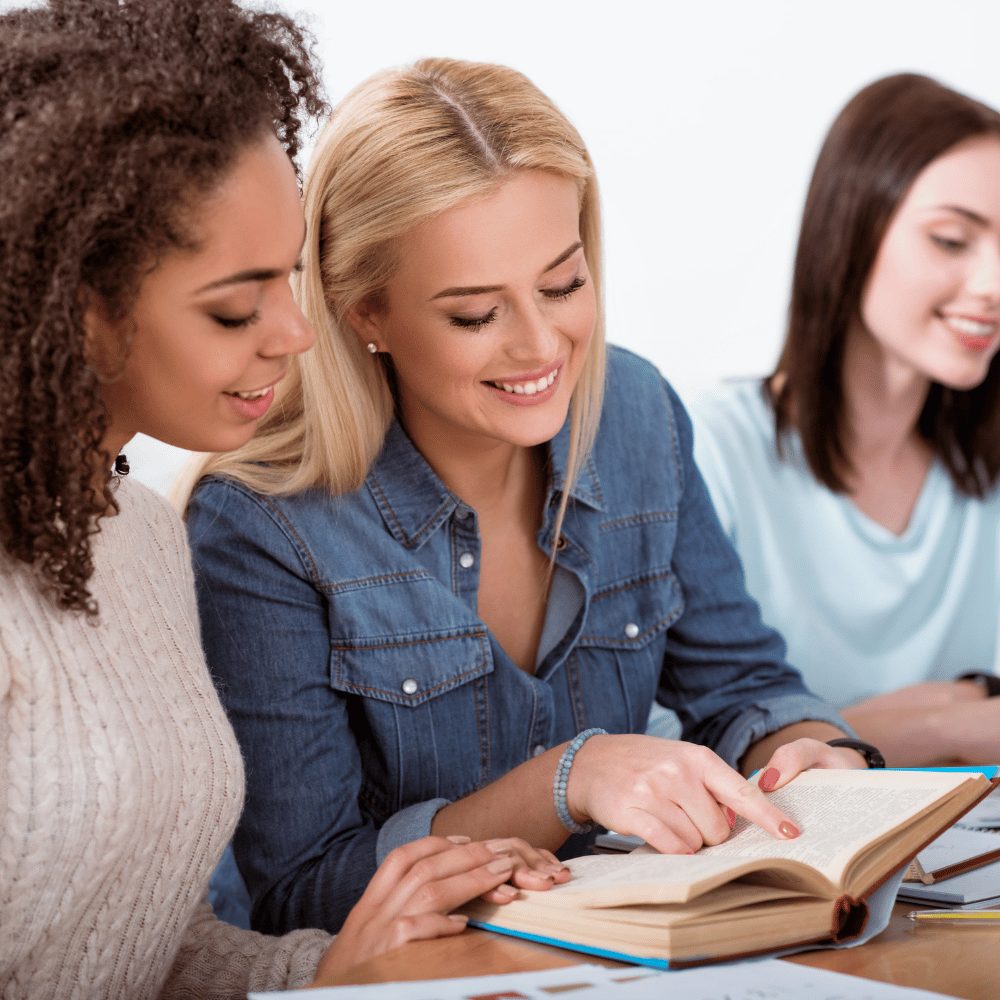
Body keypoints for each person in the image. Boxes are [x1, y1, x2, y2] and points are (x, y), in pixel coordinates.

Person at [186, 57, 872, 938]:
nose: (543, 344)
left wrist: (808, 753)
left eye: (563, 284)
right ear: (365, 313)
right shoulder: (259, 523)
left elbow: (744, 686)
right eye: (476, 315)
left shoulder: (636, 414)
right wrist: (571, 778)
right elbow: (302, 889)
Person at [0, 7, 539, 998]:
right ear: (74, 304)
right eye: (235, 307)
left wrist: (334, 972)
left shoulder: (143, 536)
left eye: (289, 279)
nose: (295, 333)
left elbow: (145, 944)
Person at [689, 73, 1000, 768]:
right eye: (953, 240)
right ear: (852, 230)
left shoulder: (982, 475)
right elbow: (670, 748)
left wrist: (844, 728)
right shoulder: (705, 449)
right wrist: (950, 725)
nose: (993, 285)